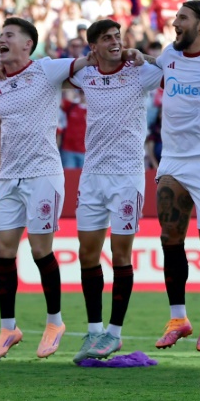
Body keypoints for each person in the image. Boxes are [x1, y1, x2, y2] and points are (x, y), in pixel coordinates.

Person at [0, 17, 88, 361]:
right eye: (1, 35)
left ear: (28, 44)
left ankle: (55, 322)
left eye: (10, 35)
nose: (2, 39)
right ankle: (8, 328)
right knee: (3, 251)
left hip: (43, 174)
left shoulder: (46, 70)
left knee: (40, 250)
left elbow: (86, 62)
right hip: (8, 179)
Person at [69, 19, 161, 363]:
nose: (115, 42)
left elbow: (174, 70)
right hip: (92, 175)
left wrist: (144, 56)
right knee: (87, 254)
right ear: (93, 46)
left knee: (120, 254)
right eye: (107, 38)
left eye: (117, 36)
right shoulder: (85, 74)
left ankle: (115, 333)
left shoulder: (140, 72)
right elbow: (47, 77)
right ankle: (94, 330)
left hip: (127, 176)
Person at [153, 1, 200, 352]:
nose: (175, 22)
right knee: (169, 237)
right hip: (172, 160)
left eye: (182, 17)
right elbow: (153, 68)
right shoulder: (169, 55)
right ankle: (178, 319)